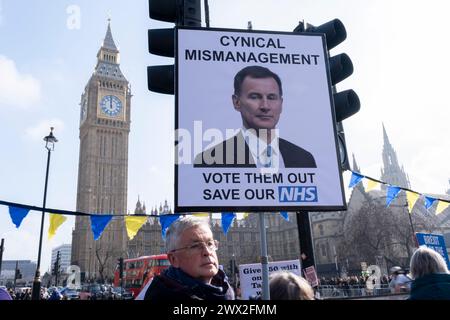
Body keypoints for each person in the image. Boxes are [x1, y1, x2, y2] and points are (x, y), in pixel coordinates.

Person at [194, 65, 316, 168]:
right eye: (255, 97)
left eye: (271, 97)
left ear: (281, 104)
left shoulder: (304, 159)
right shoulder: (210, 161)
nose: (265, 106)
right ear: (236, 102)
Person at [144, 215, 234, 301]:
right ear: (173, 259)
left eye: (210, 244)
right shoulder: (160, 295)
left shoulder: (226, 292)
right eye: (195, 246)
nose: (207, 252)